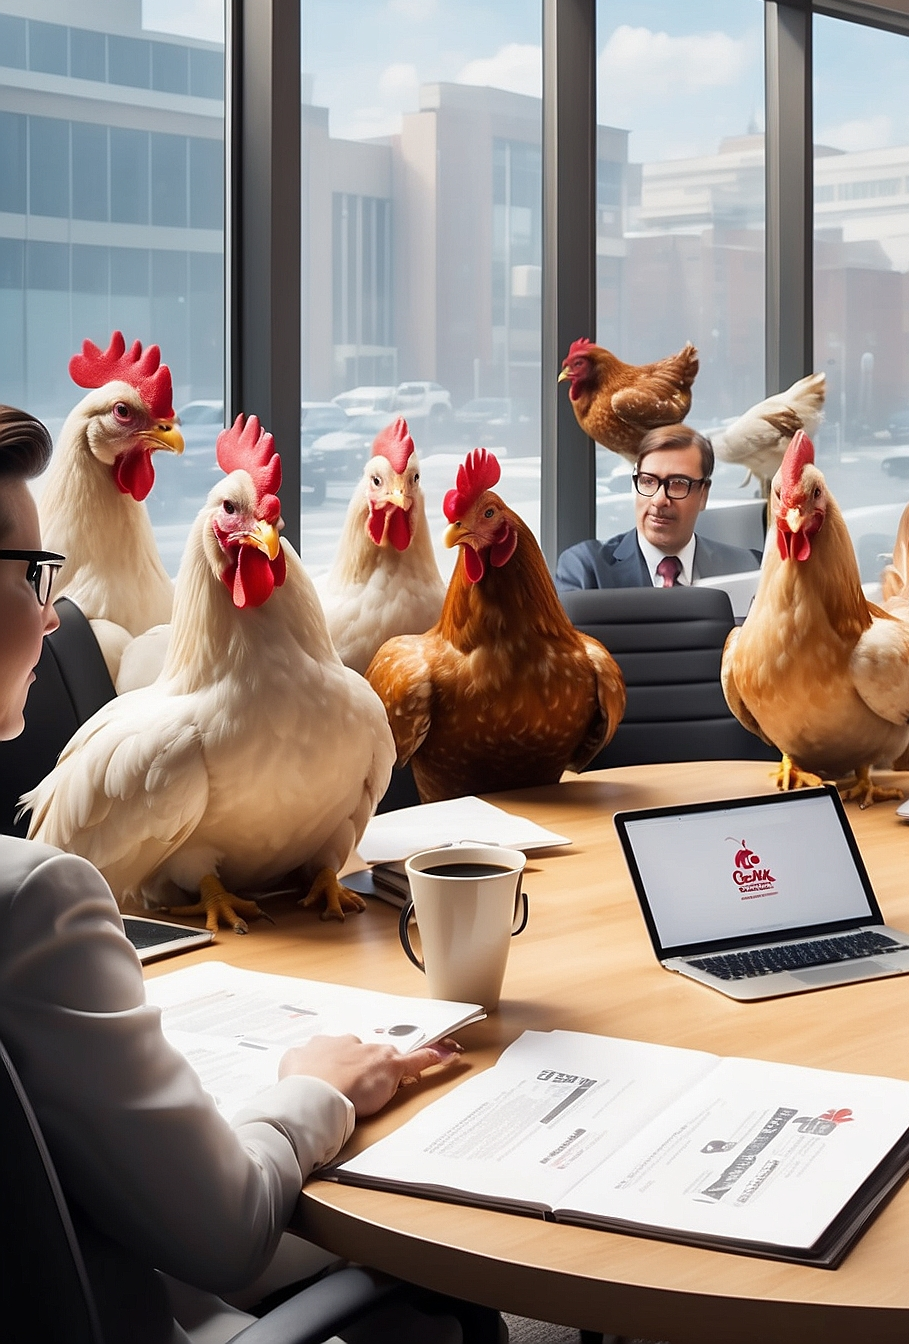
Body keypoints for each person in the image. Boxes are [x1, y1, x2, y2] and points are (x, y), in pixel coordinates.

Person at [0, 405, 463, 1344]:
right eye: (33, 574)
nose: (53, 613)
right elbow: (229, 1229)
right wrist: (315, 1085)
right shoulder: (33, 903)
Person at [555, 424, 761, 591]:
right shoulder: (587, 570)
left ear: (703, 495)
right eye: (648, 481)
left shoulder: (749, 568)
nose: (659, 500)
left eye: (678, 483)